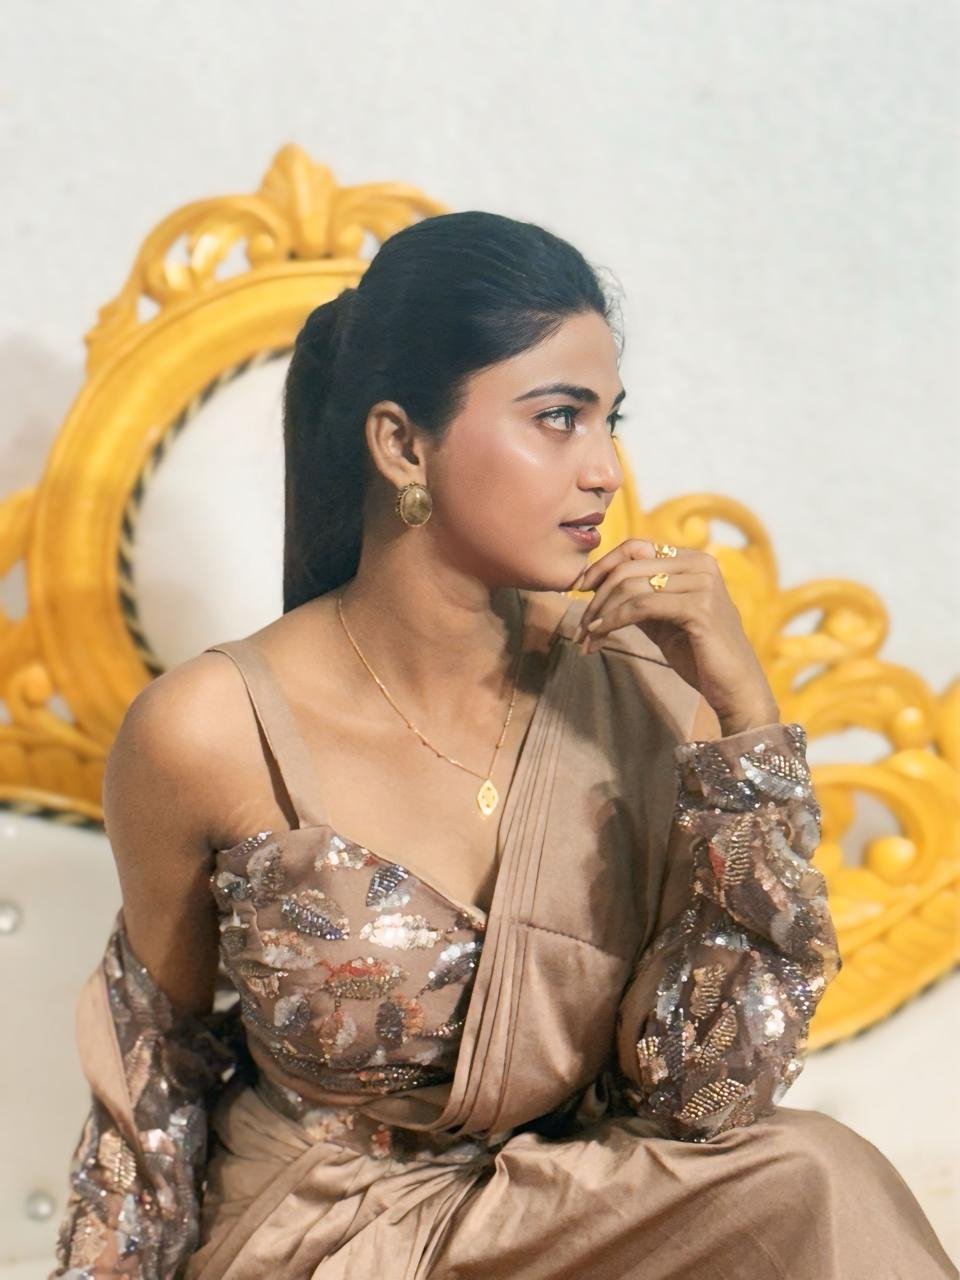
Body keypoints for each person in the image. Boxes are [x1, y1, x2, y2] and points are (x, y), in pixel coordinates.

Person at [52, 211, 955, 1279]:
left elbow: (708, 1099)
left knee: (813, 1174)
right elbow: (153, 1087)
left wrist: (745, 725)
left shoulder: (641, 691)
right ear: (402, 444)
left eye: (611, 420)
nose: (604, 470)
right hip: (325, 1241)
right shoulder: (207, 730)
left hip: (561, 1223)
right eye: (559, 418)